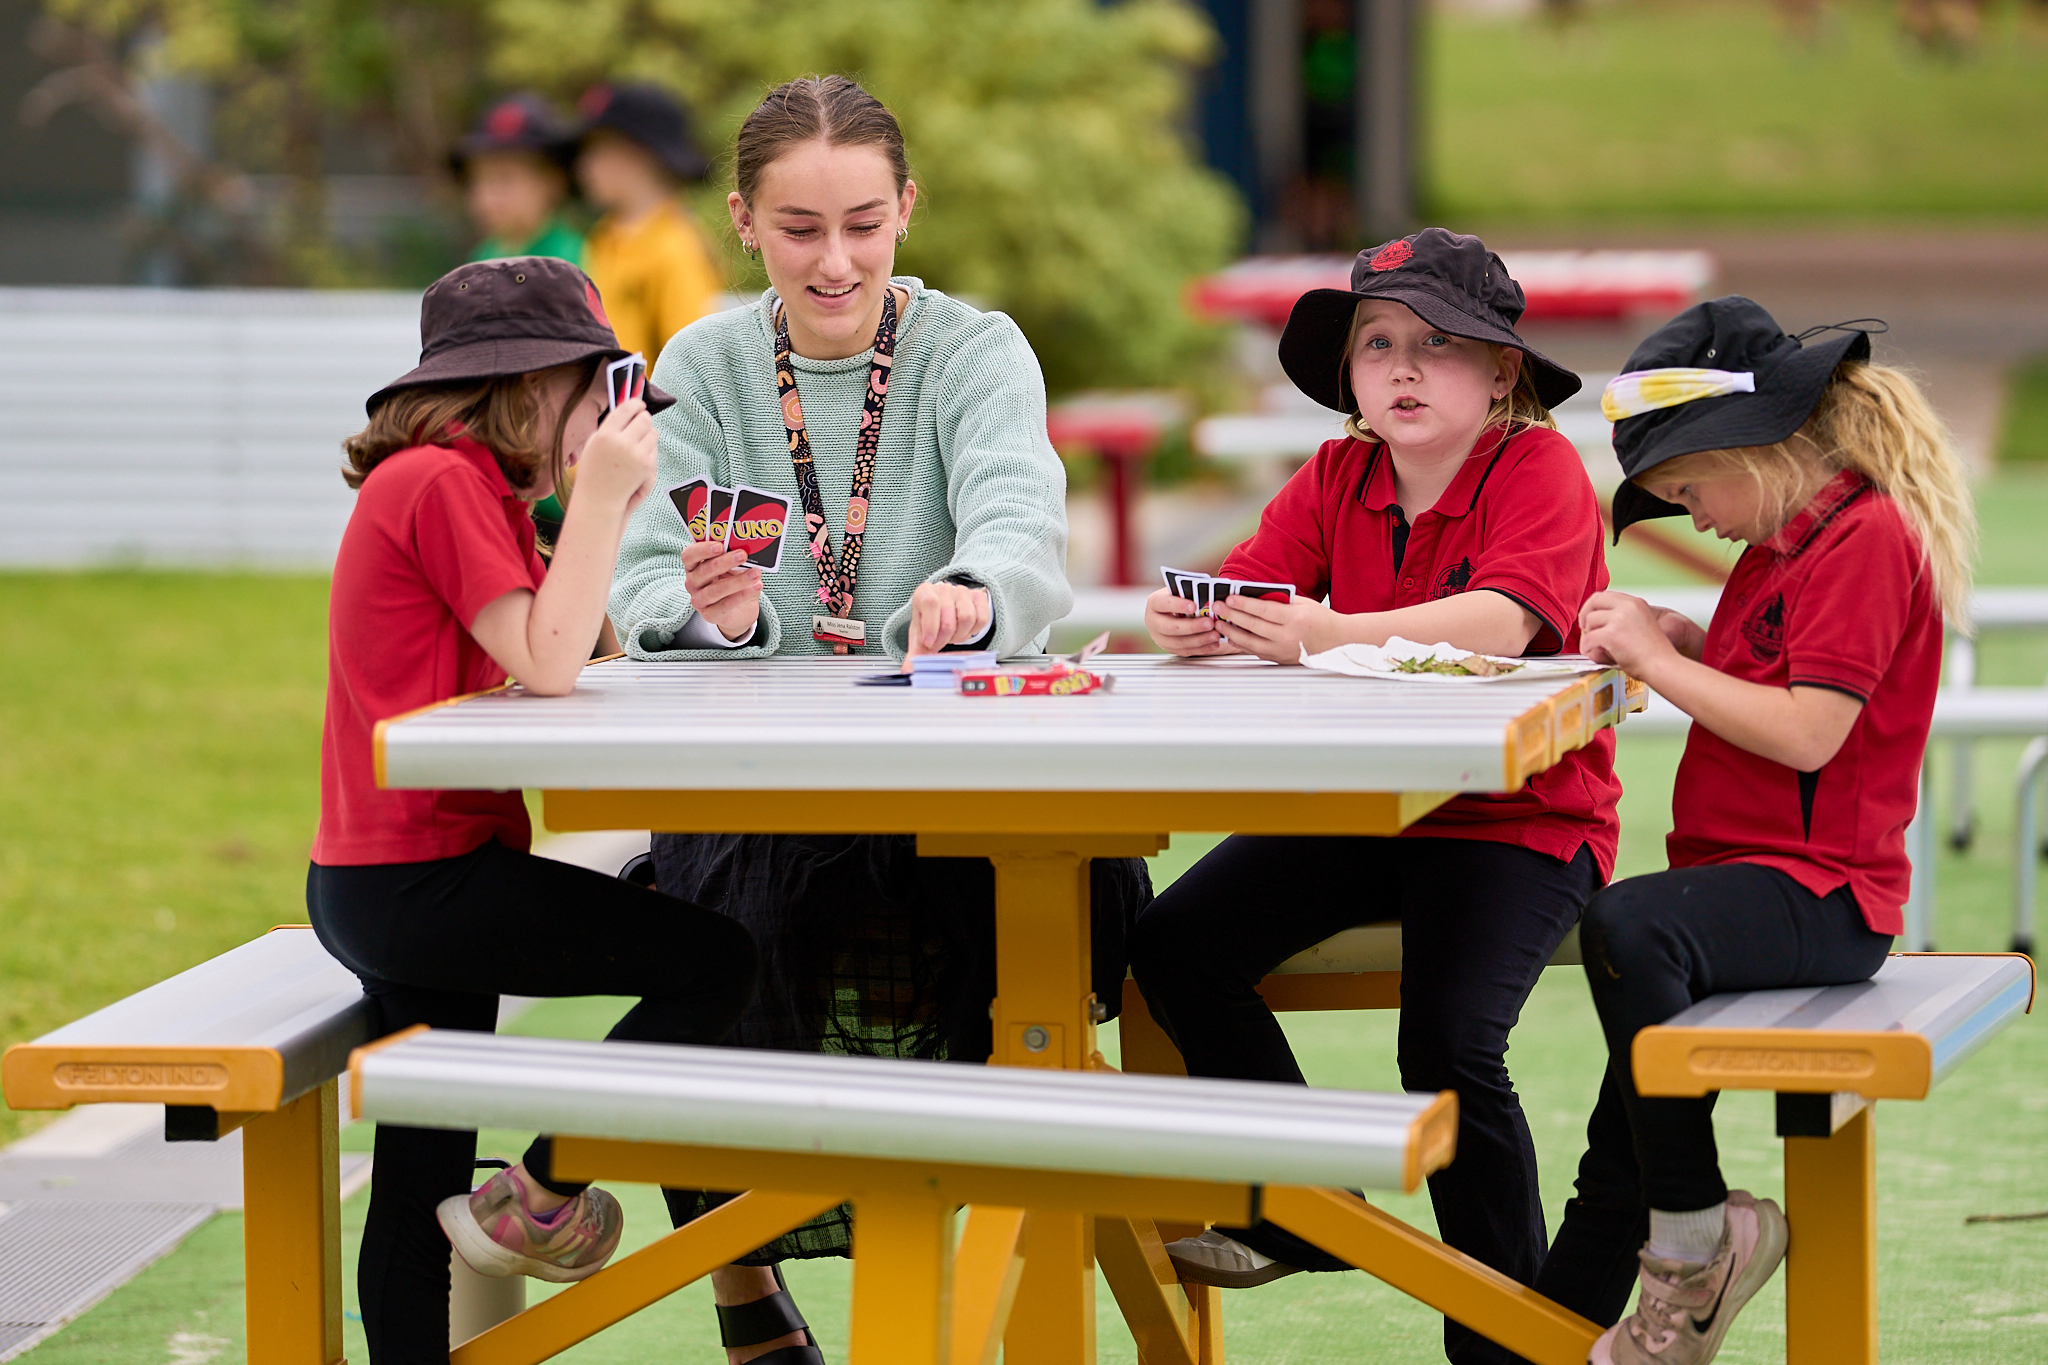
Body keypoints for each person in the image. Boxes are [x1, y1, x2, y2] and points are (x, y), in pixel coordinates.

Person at [606, 75, 1149, 1364]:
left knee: (1026, 917)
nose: (834, 261)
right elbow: (640, 586)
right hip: (763, 787)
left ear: (907, 207)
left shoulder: (972, 349)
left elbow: (1018, 521)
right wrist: (717, 616)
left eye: (861, 223)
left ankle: (1004, 1257)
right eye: (799, 229)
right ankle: (742, 1279)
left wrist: (973, 592)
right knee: (716, 930)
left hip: (958, 779)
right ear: (743, 221)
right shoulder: (703, 367)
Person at [1128, 229, 1622, 1365]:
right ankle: (1302, 1203)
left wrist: (1325, 632)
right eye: (1378, 344)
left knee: (1446, 1044)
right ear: (1348, 373)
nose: (1403, 368)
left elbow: (1505, 621)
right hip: (1367, 813)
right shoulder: (1336, 475)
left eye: (1438, 346)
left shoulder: (1538, 468)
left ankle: (1507, 1338)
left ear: (1501, 372)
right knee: (1172, 942)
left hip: (1520, 819)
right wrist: (1194, 619)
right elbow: (1253, 587)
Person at [306, 255, 758, 1364]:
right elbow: (551, 665)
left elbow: (585, 645)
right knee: (716, 963)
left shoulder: (473, 491)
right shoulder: (438, 482)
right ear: (531, 385)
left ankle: (518, 1204)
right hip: (424, 878)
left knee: (420, 1184)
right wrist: (596, 499)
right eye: (593, 398)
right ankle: (544, 1188)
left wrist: (620, 527)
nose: (603, 423)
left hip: (393, 879)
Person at [1532, 299, 1975, 1365]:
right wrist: (1692, 642)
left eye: (1688, 490)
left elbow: (1811, 734)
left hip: (1824, 896)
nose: (1693, 519)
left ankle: (1697, 1250)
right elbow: (1776, 682)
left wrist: (1657, 661)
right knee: (1615, 1162)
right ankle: (1527, 1348)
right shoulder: (1786, 542)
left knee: (1627, 925)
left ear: (1753, 446)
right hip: (1753, 884)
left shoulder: (1864, 537)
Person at [576, 81, 725, 363]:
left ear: (640, 154)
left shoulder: (675, 247)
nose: (585, 165)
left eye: (600, 149)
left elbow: (693, 362)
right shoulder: (604, 238)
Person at [452, 94, 585, 267]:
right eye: (478, 180)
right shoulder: (484, 255)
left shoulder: (572, 259)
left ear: (552, 181)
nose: (487, 196)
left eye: (505, 178)